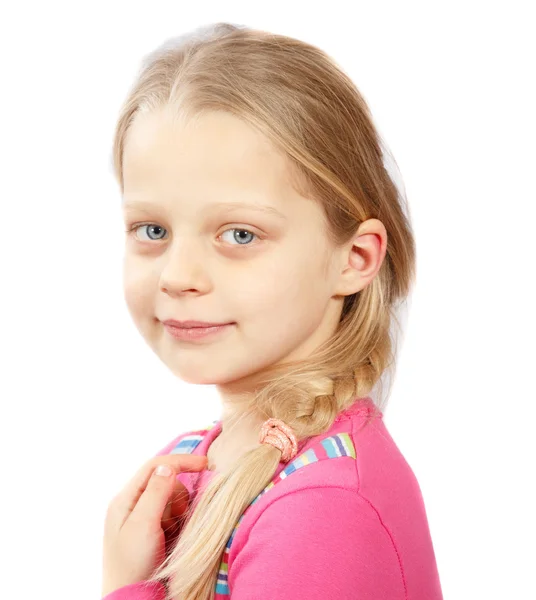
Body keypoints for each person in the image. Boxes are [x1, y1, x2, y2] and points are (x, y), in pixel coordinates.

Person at [101, 22, 443, 600]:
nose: (179, 276)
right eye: (152, 229)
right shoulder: (198, 464)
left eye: (239, 234)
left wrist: (127, 587)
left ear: (354, 258)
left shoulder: (323, 510)